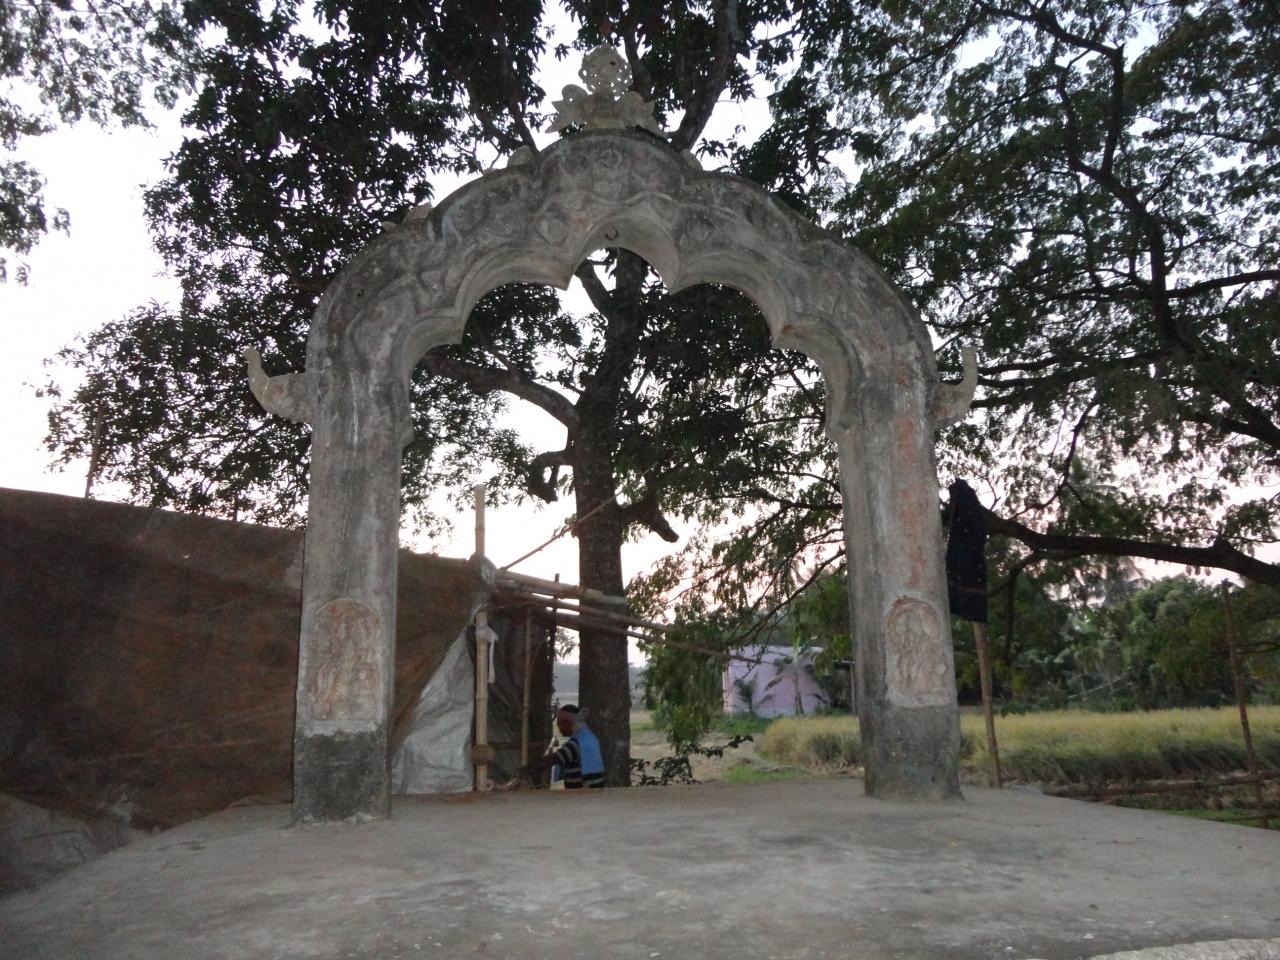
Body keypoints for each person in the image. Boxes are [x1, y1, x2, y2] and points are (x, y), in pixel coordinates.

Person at [520, 704, 605, 789]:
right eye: (558, 723)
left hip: (584, 792)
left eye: (561, 723)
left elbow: (553, 759)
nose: (559, 727)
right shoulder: (590, 738)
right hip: (594, 788)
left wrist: (527, 771)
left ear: (571, 722)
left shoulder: (575, 744)